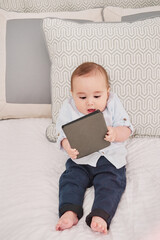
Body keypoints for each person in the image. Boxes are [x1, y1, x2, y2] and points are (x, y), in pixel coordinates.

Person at [55, 62, 133, 234]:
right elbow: (61, 134)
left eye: (97, 96)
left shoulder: (113, 103)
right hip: (81, 159)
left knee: (111, 183)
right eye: (82, 97)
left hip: (109, 158)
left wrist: (116, 133)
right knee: (70, 180)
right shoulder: (68, 107)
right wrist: (67, 146)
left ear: (107, 92)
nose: (90, 102)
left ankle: (101, 214)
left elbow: (127, 129)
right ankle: (70, 211)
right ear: (72, 94)